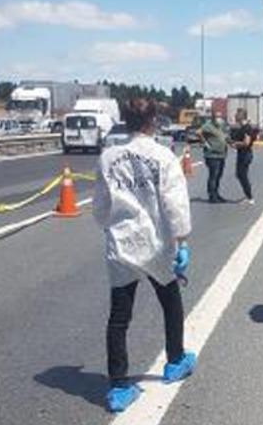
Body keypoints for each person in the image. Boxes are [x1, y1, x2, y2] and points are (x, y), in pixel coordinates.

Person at [92, 98, 196, 413]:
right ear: (153, 121)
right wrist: (182, 241)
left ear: (124, 120)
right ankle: (175, 360)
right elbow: (174, 205)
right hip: (156, 242)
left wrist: (112, 225)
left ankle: (119, 385)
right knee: (170, 301)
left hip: (123, 243)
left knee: (120, 316)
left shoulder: (108, 157)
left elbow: (100, 207)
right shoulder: (163, 156)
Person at [198, 108, 229, 203]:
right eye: (217, 116)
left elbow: (224, 136)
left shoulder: (221, 126)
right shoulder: (208, 125)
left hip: (221, 155)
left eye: (220, 116)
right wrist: (205, 143)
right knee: (213, 175)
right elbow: (199, 132)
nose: (219, 118)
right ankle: (212, 196)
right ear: (213, 117)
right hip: (212, 155)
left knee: (219, 175)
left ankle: (216, 193)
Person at [230, 108, 258, 205]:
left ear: (241, 116)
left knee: (242, 175)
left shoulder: (246, 128)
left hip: (245, 154)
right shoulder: (244, 127)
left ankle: (250, 197)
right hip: (243, 154)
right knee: (240, 175)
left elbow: (246, 142)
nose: (235, 116)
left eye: (237, 115)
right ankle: (248, 195)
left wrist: (236, 144)